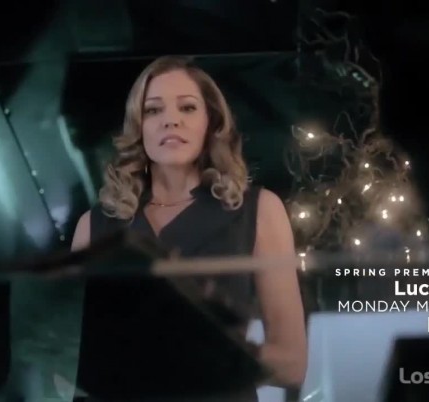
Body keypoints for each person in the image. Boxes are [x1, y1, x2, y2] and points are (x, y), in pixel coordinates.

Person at [70, 55, 307, 400]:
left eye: (187, 108)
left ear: (211, 123)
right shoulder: (93, 226)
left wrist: (189, 350)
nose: (171, 120)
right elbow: (69, 364)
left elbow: (292, 363)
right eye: (153, 110)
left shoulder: (258, 210)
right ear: (138, 126)